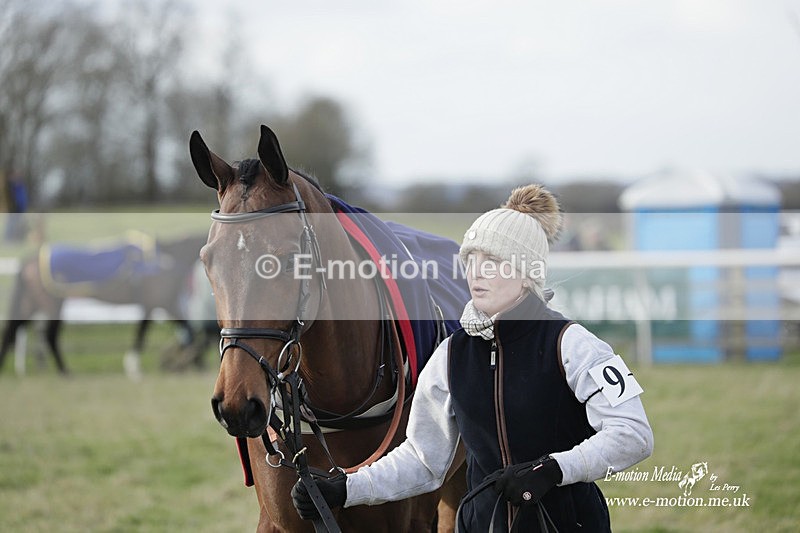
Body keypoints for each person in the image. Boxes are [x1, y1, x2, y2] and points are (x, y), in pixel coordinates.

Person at [292, 184, 654, 532]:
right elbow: (423, 460)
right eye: (471, 260)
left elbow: (633, 434)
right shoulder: (449, 355)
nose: (477, 272)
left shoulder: (574, 344)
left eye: (492, 262)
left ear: (526, 273)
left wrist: (553, 470)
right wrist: (345, 488)